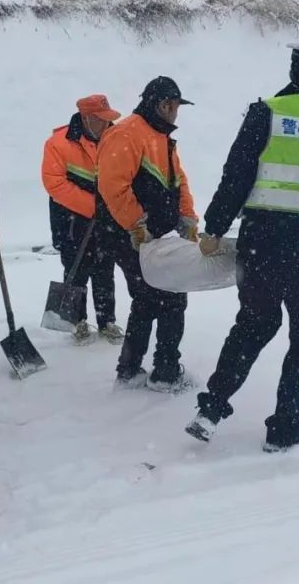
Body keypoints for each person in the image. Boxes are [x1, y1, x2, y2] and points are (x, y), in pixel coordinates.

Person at [185, 42, 299, 451]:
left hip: (262, 244)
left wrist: (215, 227)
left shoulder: (267, 112)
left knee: (253, 324)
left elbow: (237, 175)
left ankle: (211, 408)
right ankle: (284, 427)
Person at [97, 76, 200, 393]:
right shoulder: (127, 134)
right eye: (175, 107)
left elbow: (177, 180)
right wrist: (136, 226)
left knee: (146, 300)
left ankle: (129, 371)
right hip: (127, 236)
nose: (177, 113)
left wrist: (187, 217)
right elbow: (113, 187)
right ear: (163, 105)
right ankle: (165, 373)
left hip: (152, 235)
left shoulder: (159, 136)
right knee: (171, 297)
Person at [41, 94, 126, 345]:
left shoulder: (115, 139)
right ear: (86, 118)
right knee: (75, 269)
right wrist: (93, 206)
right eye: (102, 120)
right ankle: (77, 321)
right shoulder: (58, 143)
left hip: (106, 219)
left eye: (109, 119)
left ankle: (106, 320)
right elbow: (54, 183)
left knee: (105, 269)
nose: (107, 124)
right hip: (70, 220)